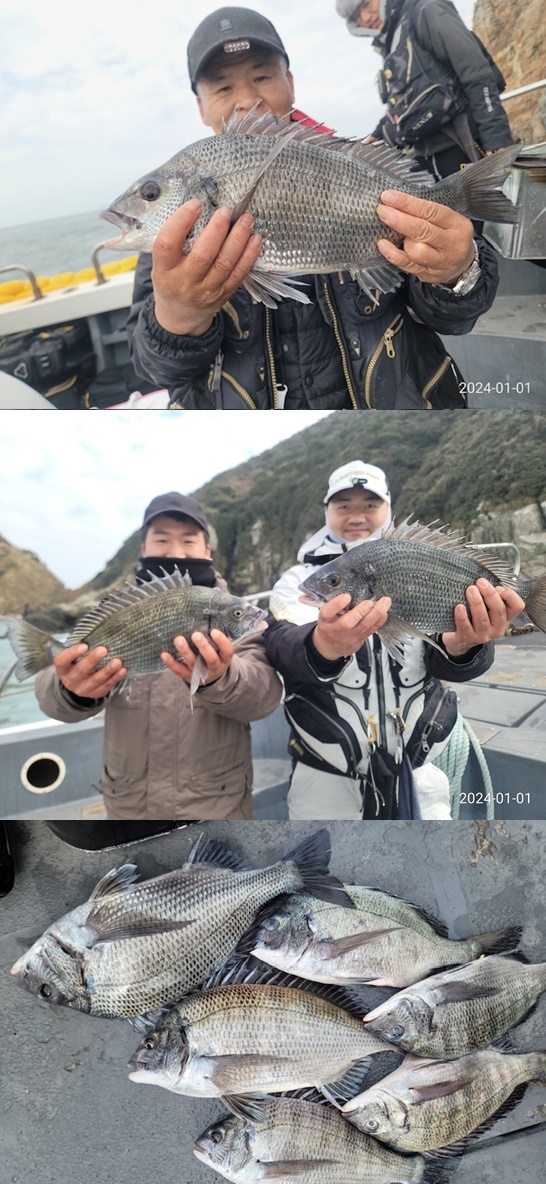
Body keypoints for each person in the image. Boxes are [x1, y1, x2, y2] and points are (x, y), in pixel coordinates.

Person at [127, 6, 502, 410]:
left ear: (289, 83)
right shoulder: (170, 242)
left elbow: (453, 319)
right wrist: (177, 314)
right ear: (201, 106)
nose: (247, 99)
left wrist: (459, 272)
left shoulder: (348, 162)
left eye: (262, 76)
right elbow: (156, 369)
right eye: (222, 87)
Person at [263, 460, 525, 819]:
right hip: (324, 774)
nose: (357, 515)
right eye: (343, 506)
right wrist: (323, 646)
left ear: (387, 507)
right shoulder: (298, 579)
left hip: (419, 769)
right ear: (327, 511)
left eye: (370, 505)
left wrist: (466, 646)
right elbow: (280, 646)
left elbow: (445, 660)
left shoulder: (407, 558)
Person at [34, 492, 281, 820]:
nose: (176, 551)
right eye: (162, 539)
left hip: (216, 806)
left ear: (207, 550)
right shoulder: (113, 611)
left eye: (189, 540)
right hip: (129, 808)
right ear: (143, 549)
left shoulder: (237, 619)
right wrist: (71, 689)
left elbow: (264, 698)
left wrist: (220, 678)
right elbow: (51, 699)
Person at [338, 0, 513, 178]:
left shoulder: (427, 9)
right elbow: (407, 99)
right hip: (424, 157)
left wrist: (496, 137)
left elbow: (475, 73)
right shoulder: (390, 41)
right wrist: (381, 132)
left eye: (366, 5)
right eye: (356, 17)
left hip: (462, 145)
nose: (365, 18)